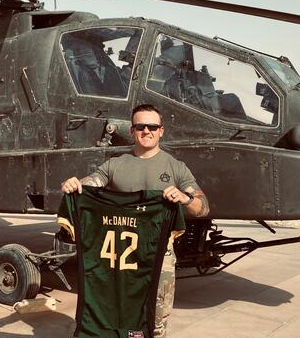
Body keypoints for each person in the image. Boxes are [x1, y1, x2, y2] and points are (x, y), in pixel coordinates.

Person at [61, 104, 210, 337]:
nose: (146, 131)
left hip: (159, 257)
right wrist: (74, 184)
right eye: (140, 126)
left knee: (155, 320)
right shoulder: (115, 164)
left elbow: (203, 208)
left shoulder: (176, 168)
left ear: (161, 131)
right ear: (132, 131)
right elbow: (90, 184)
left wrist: (184, 198)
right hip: (120, 261)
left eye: (152, 126)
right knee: (117, 314)